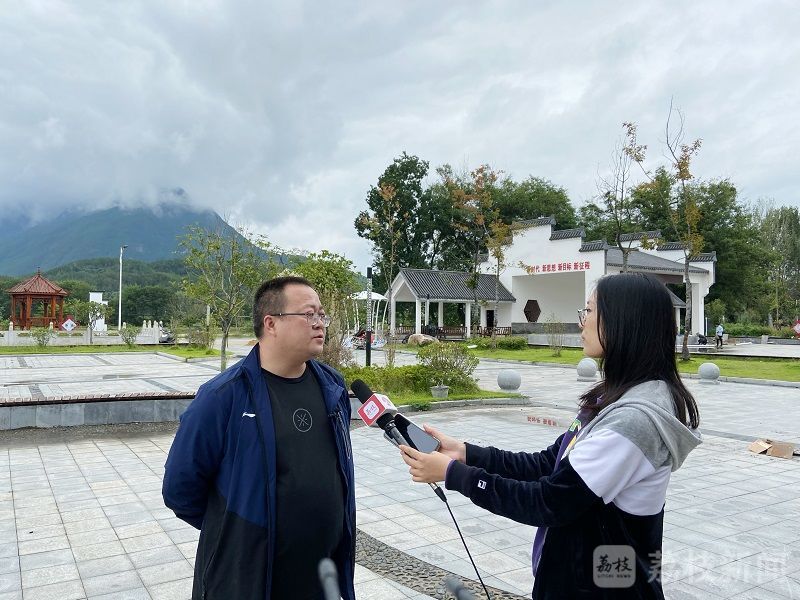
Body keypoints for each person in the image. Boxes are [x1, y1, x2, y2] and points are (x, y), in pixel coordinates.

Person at [400, 273, 701, 599]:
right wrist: (465, 452)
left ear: (622, 322)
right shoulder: (616, 399)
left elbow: (548, 501)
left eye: (588, 311)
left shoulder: (631, 423)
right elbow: (549, 463)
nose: (581, 322)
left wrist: (452, 474)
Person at [162, 276, 356, 600]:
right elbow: (179, 489)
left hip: (322, 579)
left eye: (322, 315)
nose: (320, 323)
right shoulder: (222, 396)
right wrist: (236, 532)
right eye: (309, 314)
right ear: (271, 323)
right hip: (248, 583)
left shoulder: (332, 387)